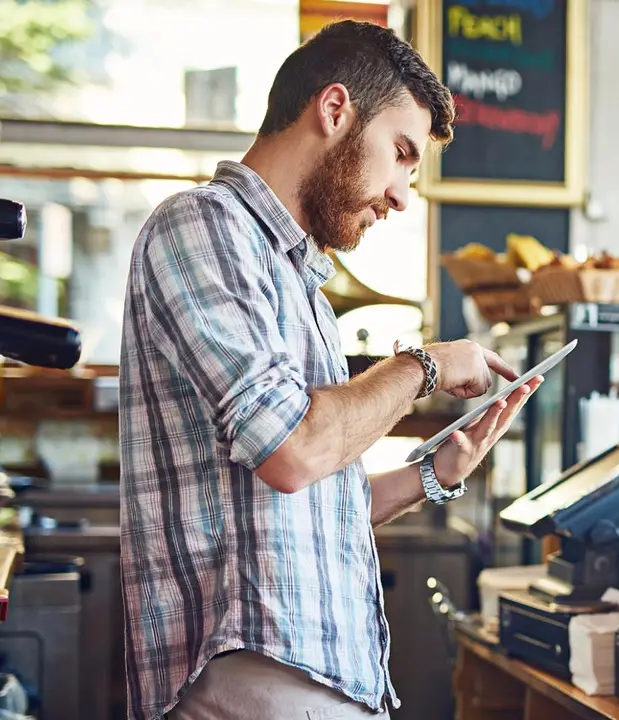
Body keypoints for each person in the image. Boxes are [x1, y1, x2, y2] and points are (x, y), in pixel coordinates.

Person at [117, 20, 537, 720]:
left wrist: (434, 474)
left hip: (309, 680)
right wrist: (425, 365)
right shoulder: (204, 227)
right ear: (335, 109)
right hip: (255, 673)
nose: (402, 195)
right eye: (400, 154)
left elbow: (308, 507)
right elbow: (293, 451)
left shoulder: (301, 282)